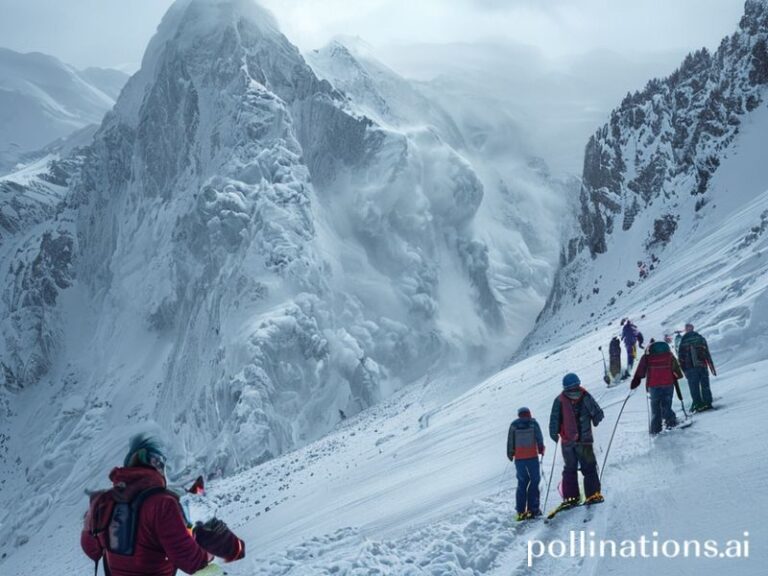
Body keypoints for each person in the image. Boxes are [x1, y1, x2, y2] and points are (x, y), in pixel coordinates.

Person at [81, 434, 245, 576]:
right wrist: (208, 555)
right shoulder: (162, 503)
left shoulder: (104, 501)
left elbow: (91, 550)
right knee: (212, 571)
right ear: (157, 465)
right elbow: (190, 560)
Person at [548, 373, 605, 511]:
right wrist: (594, 420)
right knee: (589, 468)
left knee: (570, 469)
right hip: (585, 441)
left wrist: (554, 435)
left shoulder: (559, 400)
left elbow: (554, 421)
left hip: (568, 442)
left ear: (564, 386)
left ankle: (571, 497)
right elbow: (598, 414)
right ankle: (593, 494)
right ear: (578, 383)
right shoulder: (585, 396)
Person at [630, 340, 683, 434]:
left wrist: (636, 380)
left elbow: (640, 371)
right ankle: (671, 422)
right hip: (668, 384)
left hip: (653, 386)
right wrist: (677, 375)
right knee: (667, 404)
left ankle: (655, 429)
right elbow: (677, 371)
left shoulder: (647, 357)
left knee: (655, 408)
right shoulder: (669, 355)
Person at [507, 407, 545, 520]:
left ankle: (520, 511)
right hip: (532, 457)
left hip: (519, 459)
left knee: (522, 482)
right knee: (535, 480)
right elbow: (539, 438)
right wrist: (541, 449)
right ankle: (533, 509)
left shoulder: (514, 425)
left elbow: (510, 441)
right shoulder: (533, 423)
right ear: (529, 413)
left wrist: (510, 454)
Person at [677, 323, 717, 412]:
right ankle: (707, 402)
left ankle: (698, 404)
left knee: (694, 387)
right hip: (702, 365)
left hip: (690, 367)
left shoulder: (684, 340)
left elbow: (681, 356)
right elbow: (707, 353)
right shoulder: (700, 338)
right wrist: (711, 366)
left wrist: (683, 369)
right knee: (705, 385)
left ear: (686, 329)